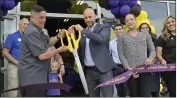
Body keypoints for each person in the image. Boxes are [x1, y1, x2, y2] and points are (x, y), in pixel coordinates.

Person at [18, 5, 67, 97]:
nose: (44, 20)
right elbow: (42, 55)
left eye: (45, 17)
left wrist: (58, 37)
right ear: (31, 18)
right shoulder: (32, 32)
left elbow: (48, 43)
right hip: (33, 80)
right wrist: (59, 50)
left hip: (36, 78)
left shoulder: (38, 30)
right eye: (41, 17)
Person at [68, 8, 116, 97]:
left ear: (95, 16)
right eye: (86, 18)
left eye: (90, 17)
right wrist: (72, 36)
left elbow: (101, 39)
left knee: (108, 96)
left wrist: (82, 30)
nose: (88, 20)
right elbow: (78, 49)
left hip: (104, 71)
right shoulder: (82, 33)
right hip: (89, 72)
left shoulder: (104, 28)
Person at [118, 14, 155, 97]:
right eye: (127, 21)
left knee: (145, 94)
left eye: (131, 19)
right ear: (125, 23)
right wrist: (128, 68)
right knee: (134, 94)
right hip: (131, 71)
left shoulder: (145, 34)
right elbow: (121, 54)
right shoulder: (122, 36)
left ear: (136, 20)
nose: (129, 22)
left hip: (145, 70)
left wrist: (150, 58)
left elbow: (152, 49)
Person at [2, 18, 29, 97]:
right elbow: (4, 53)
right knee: (13, 92)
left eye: (28, 24)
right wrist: (17, 62)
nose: (26, 26)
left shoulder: (29, 39)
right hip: (14, 67)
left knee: (23, 93)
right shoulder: (12, 36)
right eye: (24, 24)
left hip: (26, 68)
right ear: (19, 24)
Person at [156, 16, 176, 97]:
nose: (171, 24)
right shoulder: (162, 37)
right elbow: (158, 54)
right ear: (166, 25)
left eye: (173, 21)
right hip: (169, 68)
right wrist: (161, 60)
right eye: (168, 23)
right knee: (174, 91)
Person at [139, 23, 160, 97]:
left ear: (149, 29)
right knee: (144, 90)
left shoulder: (155, 38)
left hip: (153, 66)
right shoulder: (137, 39)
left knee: (154, 89)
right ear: (140, 30)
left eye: (146, 28)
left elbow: (158, 53)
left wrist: (152, 61)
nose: (145, 30)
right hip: (142, 67)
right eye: (143, 28)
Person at [109, 24, 127, 97]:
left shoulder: (128, 41)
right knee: (119, 89)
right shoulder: (111, 43)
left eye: (120, 29)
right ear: (114, 31)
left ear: (123, 30)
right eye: (116, 29)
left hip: (127, 67)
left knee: (129, 88)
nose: (118, 31)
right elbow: (109, 55)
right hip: (117, 68)